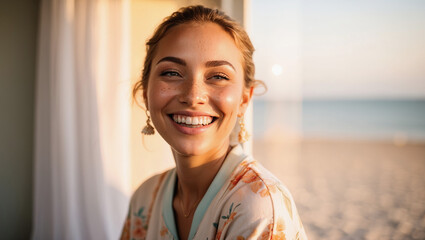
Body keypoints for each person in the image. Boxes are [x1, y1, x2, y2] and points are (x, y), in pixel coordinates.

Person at [120, 5, 307, 240]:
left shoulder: (258, 207)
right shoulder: (145, 198)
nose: (192, 95)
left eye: (218, 76)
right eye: (172, 73)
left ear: (244, 99)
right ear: (146, 91)